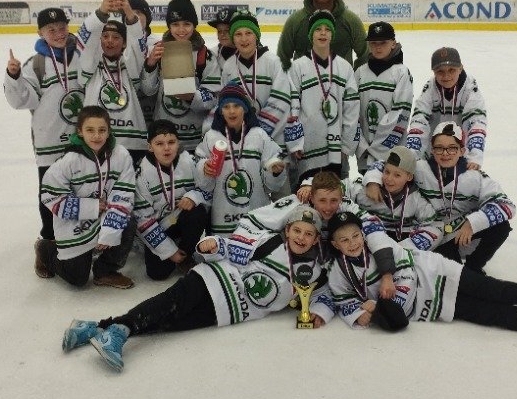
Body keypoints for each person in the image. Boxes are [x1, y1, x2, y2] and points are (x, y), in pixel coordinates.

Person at [62, 206, 334, 371]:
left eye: (309, 234)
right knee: (166, 305)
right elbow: (234, 247)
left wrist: (320, 312)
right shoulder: (270, 241)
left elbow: (324, 296)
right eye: (297, 231)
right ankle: (119, 332)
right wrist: (213, 244)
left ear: (315, 240)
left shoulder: (314, 271)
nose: (301, 237)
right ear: (287, 231)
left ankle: (93, 328)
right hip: (212, 280)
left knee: (167, 321)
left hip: (227, 311)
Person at [325, 212, 517, 354]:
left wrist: (382, 305)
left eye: (355, 236)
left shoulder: (379, 245)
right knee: (494, 315)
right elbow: (344, 302)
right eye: (344, 240)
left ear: (363, 235)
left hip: (439, 274)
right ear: (336, 245)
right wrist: (362, 312)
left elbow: (404, 281)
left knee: (497, 291)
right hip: (434, 305)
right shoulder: (338, 271)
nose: (352, 243)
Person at [366, 121, 514, 272]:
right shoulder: (420, 168)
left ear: (462, 151)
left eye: (452, 148)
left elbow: (506, 204)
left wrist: (472, 223)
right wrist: (373, 180)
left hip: (459, 229)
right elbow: (386, 164)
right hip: (433, 234)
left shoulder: (474, 176)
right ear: (432, 150)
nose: (445, 153)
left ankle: (474, 267)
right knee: (453, 273)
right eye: (439, 148)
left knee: (501, 227)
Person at [4, 7, 85, 276]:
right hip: (50, 141)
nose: (59, 33)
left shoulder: (82, 55)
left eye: (62, 28)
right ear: (40, 32)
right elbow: (21, 101)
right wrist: (14, 76)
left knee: (83, 187)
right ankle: (47, 243)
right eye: (52, 30)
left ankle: (81, 238)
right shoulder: (35, 65)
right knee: (50, 193)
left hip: (84, 139)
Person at [238, 170, 399, 299]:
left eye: (333, 200)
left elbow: (375, 231)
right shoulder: (296, 203)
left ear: (341, 198)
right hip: (292, 264)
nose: (328, 207)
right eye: (322, 200)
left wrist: (387, 273)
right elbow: (251, 220)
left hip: (327, 272)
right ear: (312, 197)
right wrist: (246, 252)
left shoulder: (347, 207)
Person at [39, 105, 137, 289]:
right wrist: (91, 207)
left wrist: (110, 232)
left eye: (102, 130)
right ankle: (45, 249)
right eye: (90, 130)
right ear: (80, 131)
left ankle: (106, 271)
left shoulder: (121, 155)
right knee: (77, 279)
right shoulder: (69, 161)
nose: (96, 136)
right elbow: (50, 195)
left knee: (128, 221)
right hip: (76, 222)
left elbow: (124, 193)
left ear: (109, 131)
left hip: (107, 214)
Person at [78, 0, 159, 166]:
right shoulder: (90, 66)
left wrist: (129, 13)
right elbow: (86, 40)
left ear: (124, 43)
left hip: (132, 143)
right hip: (97, 141)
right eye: (105, 36)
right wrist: (102, 12)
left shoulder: (130, 66)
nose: (110, 41)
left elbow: (138, 44)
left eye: (116, 37)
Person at [195, 83, 288, 235]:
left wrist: (275, 172)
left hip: (256, 214)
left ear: (245, 108)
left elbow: (272, 185)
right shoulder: (211, 137)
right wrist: (203, 168)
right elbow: (203, 180)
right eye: (226, 107)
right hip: (223, 217)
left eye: (237, 106)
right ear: (220, 111)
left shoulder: (259, 136)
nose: (232, 111)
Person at [285, 9, 360, 187]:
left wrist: (346, 146)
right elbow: (291, 106)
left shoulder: (344, 67)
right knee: (306, 196)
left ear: (332, 34)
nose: (323, 33)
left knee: (333, 196)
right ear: (311, 35)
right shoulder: (297, 67)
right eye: (318, 29)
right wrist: (295, 143)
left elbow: (351, 109)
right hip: (307, 149)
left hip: (336, 150)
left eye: (327, 29)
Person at [134, 119, 210, 280]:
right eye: (159, 143)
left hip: (182, 217)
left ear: (178, 143)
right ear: (150, 147)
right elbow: (142, 219)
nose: (167, 148)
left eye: (171, 142)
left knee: (198, 212)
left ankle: (186, 254)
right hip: (158, 226)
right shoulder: (142, 174)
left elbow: (208, 190)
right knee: (157, 274)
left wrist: (193, 197)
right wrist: (170, 251)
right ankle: (170, 247)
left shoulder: (189, 161)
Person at [145, 0, 220, 151]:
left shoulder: (205, 56)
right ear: (169, 26)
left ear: (194, 25)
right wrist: (150, 65)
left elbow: (213, 97)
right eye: (175, 24)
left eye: (186, 24)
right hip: (163, 139)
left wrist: (192, 97)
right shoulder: (158, 51)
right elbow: (148, 90)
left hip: (194, 140)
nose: (181, 30)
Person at [220, 9, 292, 148]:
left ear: (256, 36)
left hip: (274, 139)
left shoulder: (273, 62)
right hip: (243, 140)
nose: (244, 39)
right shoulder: (229, 66)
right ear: (233, 38)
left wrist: (257, 130)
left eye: (249, 33)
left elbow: (281, 100)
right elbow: (225, 102)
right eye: (238, 34)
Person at [277, 0, 368, 70]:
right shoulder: (295, 21)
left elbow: (365, 56)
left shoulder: (351, 21)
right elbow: (282, 59)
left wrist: (353, 77)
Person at [407, 47, 487, 169]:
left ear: (461, 67)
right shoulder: (430, 88)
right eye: (440, 71)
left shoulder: (470, 90)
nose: (446, 76)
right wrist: (412, 154)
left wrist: (474, 157)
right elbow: (419, 121)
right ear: (434, 72)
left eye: (451, 70)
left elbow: (476, 124)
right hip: (433, 153)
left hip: (460, 156)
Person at [349, 147, 442, 252]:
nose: (389, 179)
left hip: (401, 241)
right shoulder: (366, 190)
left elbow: (435, 225)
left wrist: (406, 249)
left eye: (397, 175)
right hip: (368, 239)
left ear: (409, 177)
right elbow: (342, 190)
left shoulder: (415, 199)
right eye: (387, 172)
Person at [354, 21, 413, 174]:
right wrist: (361, 144)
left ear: (393, 43)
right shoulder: (360, 72)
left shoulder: (401, 72)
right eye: (373, 43)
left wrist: (377, 147)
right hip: (365, 153)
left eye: (383, 42)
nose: (378, 47)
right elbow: (353, 112)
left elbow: (400, 112)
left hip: (392, 153)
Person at [127, 0, 159, 128]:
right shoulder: (117, 45)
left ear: (147, 17)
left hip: (153, 110)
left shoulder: (157, 44)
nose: (134, 16)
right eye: (131, 12)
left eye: (139, 12)